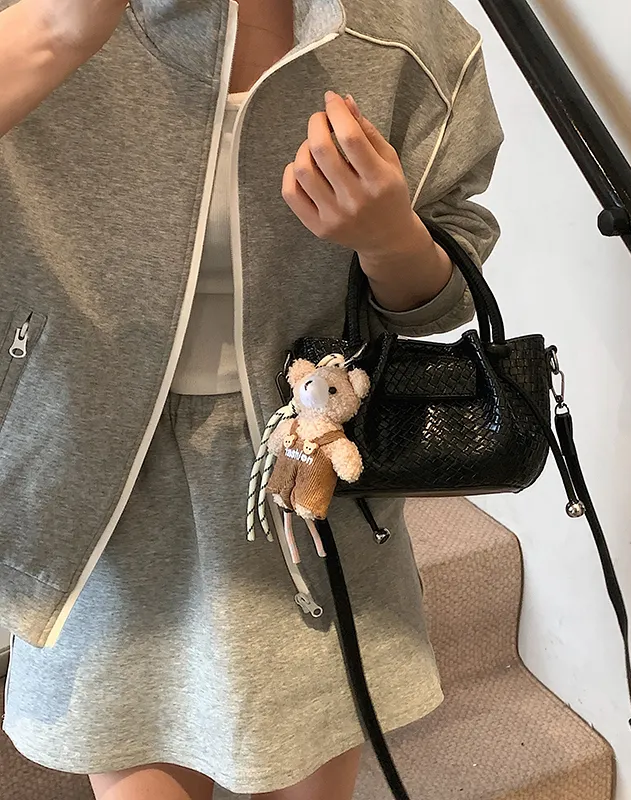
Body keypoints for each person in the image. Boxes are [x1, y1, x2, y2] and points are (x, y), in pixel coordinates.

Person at [0, 0, 503, 798]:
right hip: (94, 481)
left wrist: (391, 239)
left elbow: (443, 286)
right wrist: (47, 36)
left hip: (303, 475)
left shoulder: (410, 38)